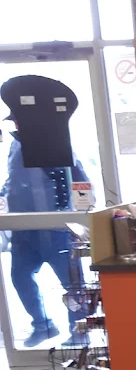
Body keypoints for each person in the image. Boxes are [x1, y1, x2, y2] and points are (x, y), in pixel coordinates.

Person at [0, 123, 91, 347]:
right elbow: (15, 179)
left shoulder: (56, 143)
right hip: (24, 229)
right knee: (20, 278)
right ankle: (43, 325)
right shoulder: (16, 144)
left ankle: (80, 329)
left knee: (72, 283)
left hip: (56, 228)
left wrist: (80, 214)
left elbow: (79, 178)